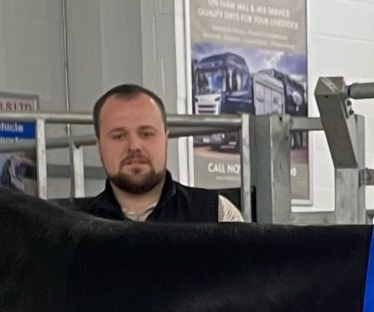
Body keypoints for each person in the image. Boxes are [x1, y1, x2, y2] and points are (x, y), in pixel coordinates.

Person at [73, 84, 245, 222]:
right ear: (99, 146)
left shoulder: (217, 215)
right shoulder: (73, 228)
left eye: (146, 134)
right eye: (118, 136)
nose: (134, 146)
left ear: (165, 140)